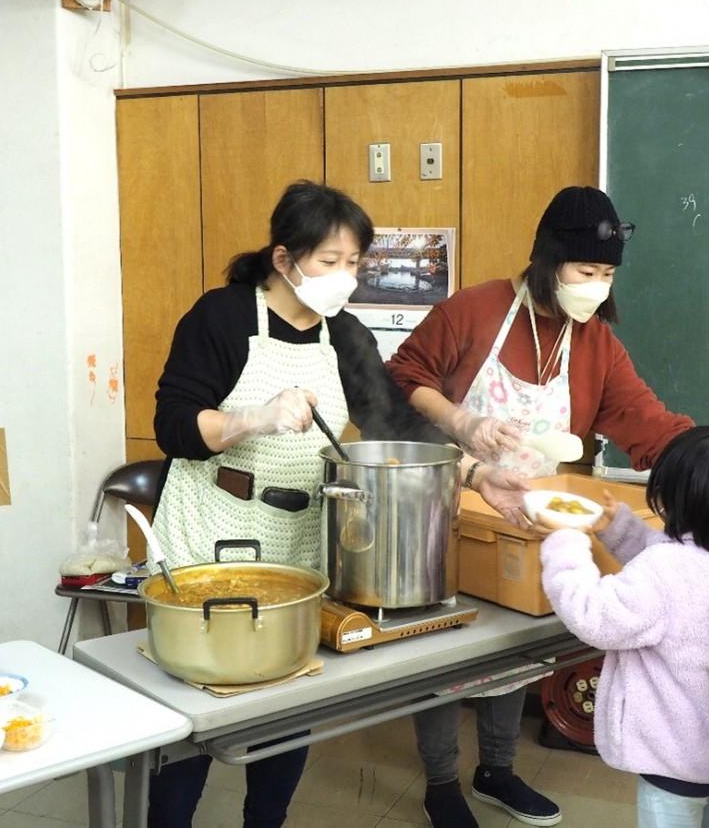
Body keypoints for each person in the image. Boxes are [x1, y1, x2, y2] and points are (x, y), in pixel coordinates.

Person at [147, 180, 524, 827]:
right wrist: (254, 418)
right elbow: (173, 425)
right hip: (211, 533)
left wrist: (476, 473)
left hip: (297, 545)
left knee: (289, 714)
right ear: (284, 258)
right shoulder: (223, 317)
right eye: (330, 262)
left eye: (355, 263)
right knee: (196, 717)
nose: (344, 277)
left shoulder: (343, 333)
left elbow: (394, 422)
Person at [387, 186, 694, 827]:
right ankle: (441, 782)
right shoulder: (477, 309)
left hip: (528, 511)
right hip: (446, 504)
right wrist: (462, 422)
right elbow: (401, 377)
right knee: (444, 646)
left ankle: (497, 769)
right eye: (586, 271)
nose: (596, 286)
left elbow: (644, 420)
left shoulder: (596, 344)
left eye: (606, 274)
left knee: (516, 645)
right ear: (550, 260)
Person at [537, 425, 709, 828]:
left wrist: (565, 541)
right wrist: (620, 530)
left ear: (677, 500)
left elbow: (594, 615)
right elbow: (673, 576)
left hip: (672, 759)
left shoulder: (664, 569)